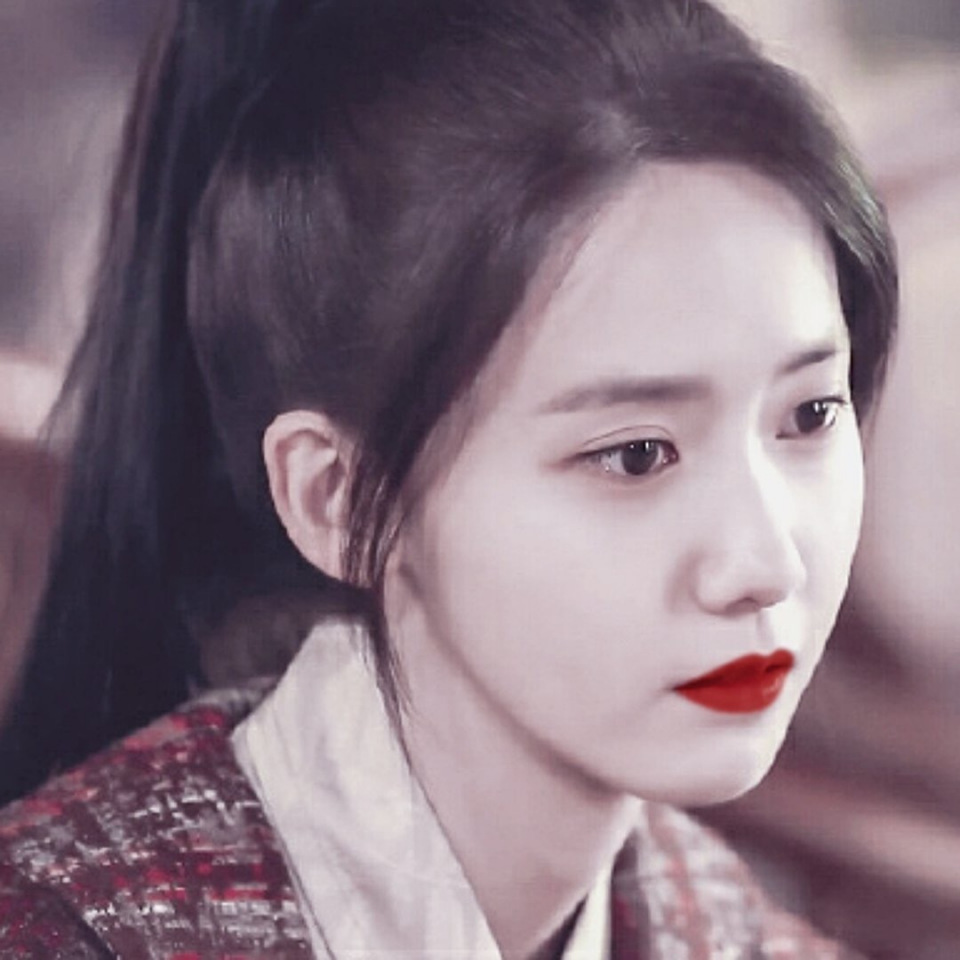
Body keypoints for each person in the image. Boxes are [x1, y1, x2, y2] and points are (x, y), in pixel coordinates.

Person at [0, 0, 897, 955]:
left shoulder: (741, 936)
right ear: (336, 497)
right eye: (636, 455)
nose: (764, 565)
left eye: (810, 414)